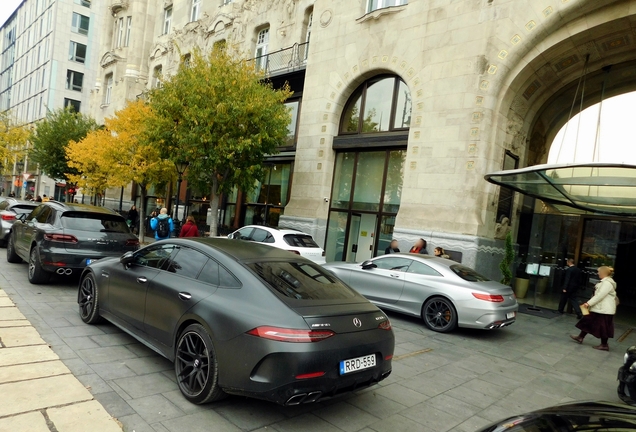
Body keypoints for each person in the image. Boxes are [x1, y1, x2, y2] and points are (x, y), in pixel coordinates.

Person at [570, 266, 617, 351]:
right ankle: (580, 337)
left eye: (599, 272)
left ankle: (604, 345)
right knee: (588, 321)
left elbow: (599, 296)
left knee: (603, 327)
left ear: (603, 273)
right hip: (599, 308)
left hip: (603, 310)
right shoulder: (604, 282)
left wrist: (588, 303)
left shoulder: (606, 283)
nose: (598, 273)